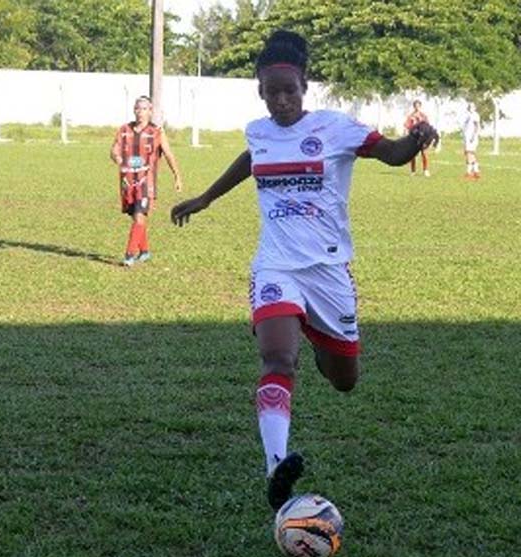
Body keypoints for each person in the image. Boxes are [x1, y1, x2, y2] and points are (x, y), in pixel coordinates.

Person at [170, 30, 436, 512]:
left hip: (329, 272)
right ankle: (276, 468)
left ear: (304, 86)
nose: (282, 100)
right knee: (276, 359)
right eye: (272, 92)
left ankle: (318, 339)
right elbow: (253, 160)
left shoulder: (336, 128)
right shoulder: (260, 131)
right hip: (276, 265)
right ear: (261, 91)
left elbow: (392, 154)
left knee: (344, 379)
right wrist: (205, 197)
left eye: (290, 90)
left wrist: (416, 138)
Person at [109, 96, 183, 267]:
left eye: (144, 109)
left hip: (146, 183)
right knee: (136, 217)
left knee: (140, 218)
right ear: (134, 110)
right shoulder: (124, 130)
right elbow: (113, 150)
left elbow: (169, 154)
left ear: (150, 111)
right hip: (127, 182)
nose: (140, 112)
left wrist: (177, 176)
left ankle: (129, 253)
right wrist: (117, 157)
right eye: (138, 108)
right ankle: (145, 251)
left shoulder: (157, 132)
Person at [403, 100, 430, 177]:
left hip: (422, 137)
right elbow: (407, 125)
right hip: (414, 138)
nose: (417, 107)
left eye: (418, 106)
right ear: (414, 107)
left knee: (424, 154)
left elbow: (427, 126)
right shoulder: (411, 116)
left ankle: (426, 170)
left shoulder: (423, 116)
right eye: (415, 106)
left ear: (420, 107)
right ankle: (413, 171)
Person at [462, 103, 481, 180]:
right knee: (469, 154)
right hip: (467, 137)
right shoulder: (468, 115)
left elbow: (477, 126)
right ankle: (476, 171)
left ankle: (469, 173)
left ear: (475, 107)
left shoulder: (475, 115)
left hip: (471, 138)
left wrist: (473, 136)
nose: (470, 108)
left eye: (472, 106)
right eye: (469, 106)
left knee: (469, 154)